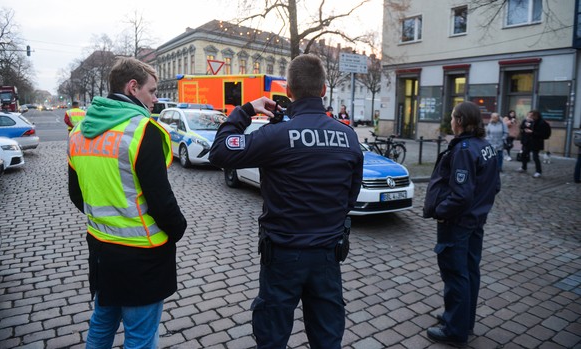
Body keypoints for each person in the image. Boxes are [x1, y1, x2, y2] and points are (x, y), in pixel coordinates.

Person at [209, 54, 364, 349]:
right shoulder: (348, 136)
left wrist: (246, 110)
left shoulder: (275, 135)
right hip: (327, 256)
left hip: (283, 255)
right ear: (324, 90)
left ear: (289, 91)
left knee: (272, 336)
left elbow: (220, 151)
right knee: (327, 337)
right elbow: (350, 196)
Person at [68, 57, 187, 348]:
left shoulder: (78, 132)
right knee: (140, 337)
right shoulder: (142, 131)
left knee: (102, 324)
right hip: (141, 256)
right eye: (152, 91)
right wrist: (178, 229)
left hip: (100, 247)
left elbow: (76, 194)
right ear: (133, 88)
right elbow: (161, 201)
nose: (155, 99)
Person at [423, 101, 501, 347]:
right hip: (475, 220)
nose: (452, 120)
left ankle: (454, 330)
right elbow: (494, 186)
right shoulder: (484, 146)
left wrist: (441, 212)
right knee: (469, 271)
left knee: (456, 274)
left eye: (454, 116)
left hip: (457, 222)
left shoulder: (464, 150)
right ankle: (461, 318)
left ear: (462, 121)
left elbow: (461, 194)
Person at [517, 110, 551, 178]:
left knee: (535, 157)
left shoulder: (541, 123)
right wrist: (525, 126)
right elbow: (522, 128)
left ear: (536, 116)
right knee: (524, 154)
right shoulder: (527, 121)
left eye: (531, 115)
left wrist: (532, 132)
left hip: (536, 142)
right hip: (527, 141)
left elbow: (543, 134)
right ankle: (524, 167)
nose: (530, 117)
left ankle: (538, 171)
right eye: (529, 115)